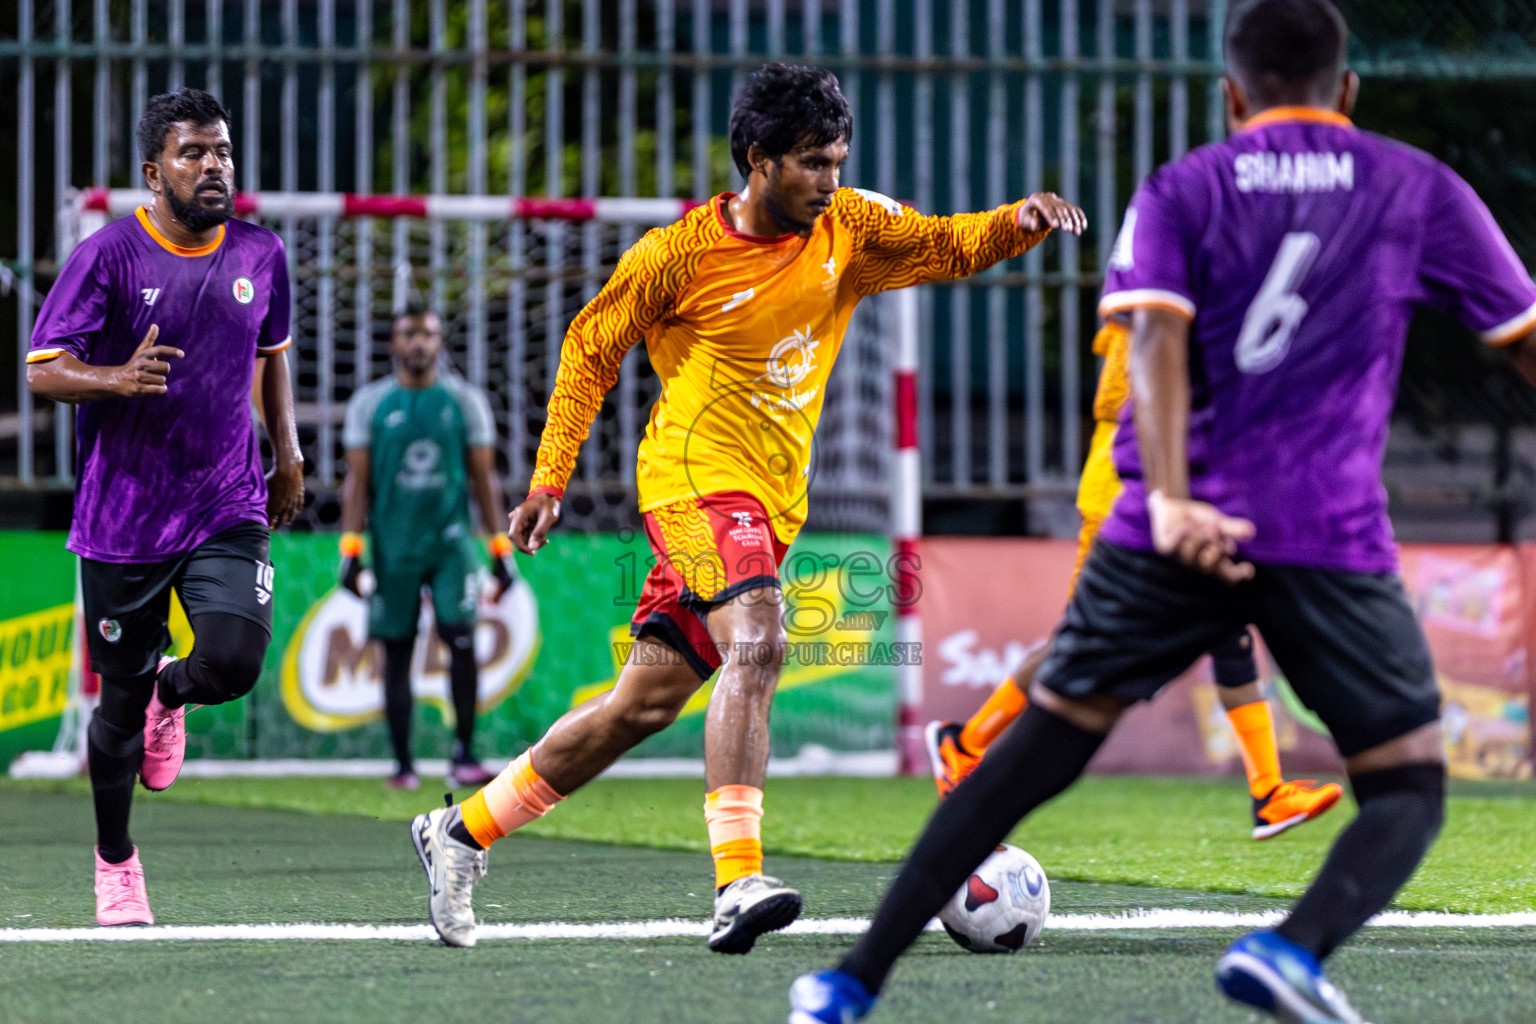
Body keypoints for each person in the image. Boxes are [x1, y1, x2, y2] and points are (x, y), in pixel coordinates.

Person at [790, 1, 1536, 1020]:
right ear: (1349, 91)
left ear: (1233, 95)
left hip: (1166, 530)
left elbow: (1154, 345)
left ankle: (845, 983)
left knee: (1032, 763)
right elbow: (1523, 336)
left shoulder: (1183, 187)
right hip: (1327, 531)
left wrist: (1179, 498)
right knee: (1408, 784)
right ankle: (1294, 950)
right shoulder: (1416, 185)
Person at [409, 62, 1087, 952]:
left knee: (640, 708)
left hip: (772, 505)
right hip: (693, 482)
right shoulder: (677, 255)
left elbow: (946, 244)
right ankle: (737, 882)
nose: (831, 179)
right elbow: (589, 347)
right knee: (761, 639)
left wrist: (1016, 223)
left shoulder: (852, 227)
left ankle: (461, 831)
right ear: (758, 160)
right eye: (812, 162)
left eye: (839, 159)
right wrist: (548, 477)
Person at [26, 88, 305, 927]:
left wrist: (285, 453)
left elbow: (272, 356)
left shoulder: (262, 252)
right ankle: (116, 864)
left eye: (221, 151)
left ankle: (171, 694)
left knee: (233, 661)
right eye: (193, 153)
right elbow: (43, 367)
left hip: (226, 496)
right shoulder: (109, 257)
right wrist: (112, 378)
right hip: (125, 518)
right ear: (154, 172)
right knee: (113, 709)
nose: (214, 165)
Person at [926, 315, 1342, 839]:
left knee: (1229, 624)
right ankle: (963, 743)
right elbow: (1152, 382)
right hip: (1127, 488)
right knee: (1082, 643)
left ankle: (1269, 791)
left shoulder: (1174, 285)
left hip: (1160, 481)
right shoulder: (1167, 291)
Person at [339, 302, 513, 790]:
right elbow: (357, 483)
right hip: (391, 548)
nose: (419, 343)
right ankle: (403, 764)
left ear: (440, 344)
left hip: (452, 545)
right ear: (394, 344)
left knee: (461, 642)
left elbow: (485, 481)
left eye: (428, 334)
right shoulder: (370, 405)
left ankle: (463, 755)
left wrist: (500, 550)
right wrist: (350, 550)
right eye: (409, 334)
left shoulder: (465, 402)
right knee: (396, 652)